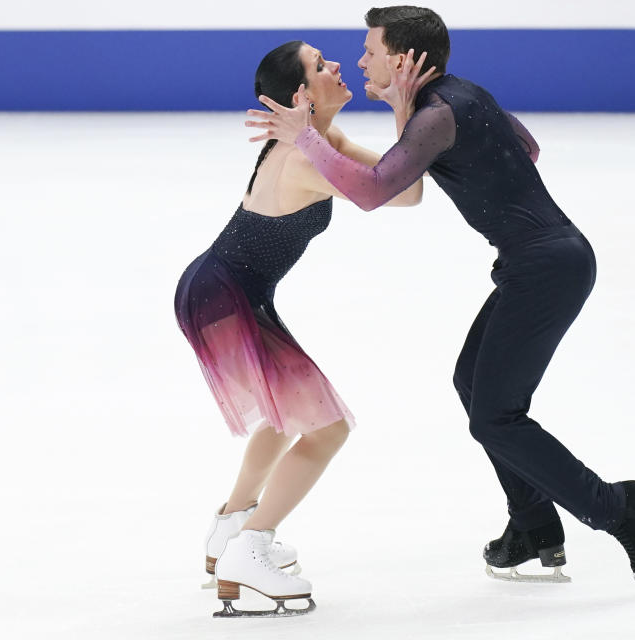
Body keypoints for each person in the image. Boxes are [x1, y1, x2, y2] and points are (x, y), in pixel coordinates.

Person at [245, 6, 635, 590]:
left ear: (403, 60)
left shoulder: (439, 113)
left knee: (495, 417)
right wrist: (417, 123)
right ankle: (533, 526)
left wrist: (307, 137)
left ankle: (620, 510)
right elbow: (524, 147)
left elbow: (375, 193)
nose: (360, 60)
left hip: (547, 268)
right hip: (537, 261)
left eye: (370, 50)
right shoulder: (455, 99)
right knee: (473, 384)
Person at [175, 40, 423, 617]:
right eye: (320, 66)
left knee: (292, 416)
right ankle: (250, 548)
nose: (337, 66)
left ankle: (230, 530)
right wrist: (404, 109)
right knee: (327, 428)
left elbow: (403, 186)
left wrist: (402, 107)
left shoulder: (317, 142)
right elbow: (403, 190)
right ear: (300, 97)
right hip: (224, 296)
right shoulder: (306, 159)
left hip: (227, 292)